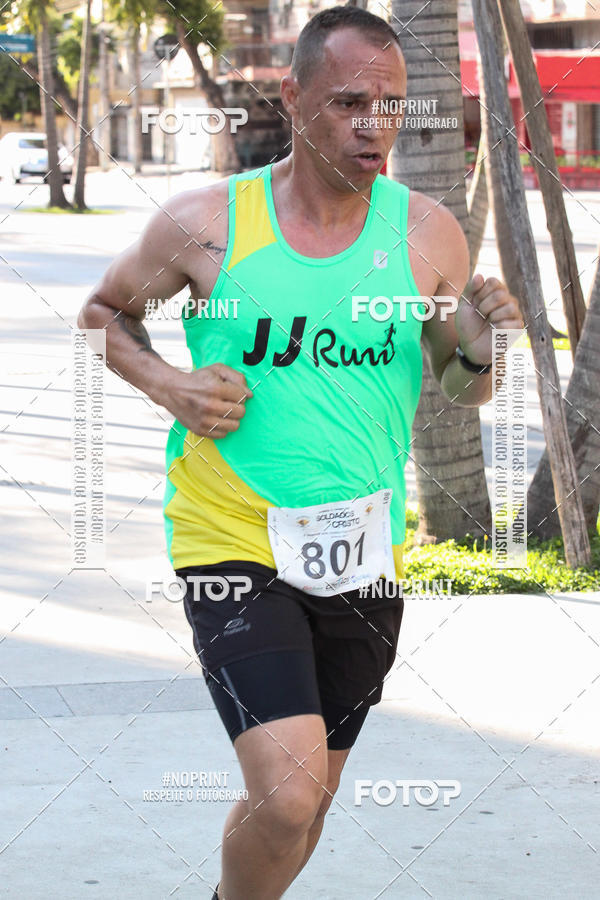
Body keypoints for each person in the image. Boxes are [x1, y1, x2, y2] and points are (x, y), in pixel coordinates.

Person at [78, 6, 523, 898]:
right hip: (231, 533)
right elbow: (102, 315)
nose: (373, 125)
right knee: (286, 793)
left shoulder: (427, 233)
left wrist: (483, 347)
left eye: (390, 105)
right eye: (350, 102)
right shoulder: (208, 222)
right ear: (293, 97)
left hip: (363, 546)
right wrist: (170, 385)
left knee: (307, 802)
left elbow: (461, 384)